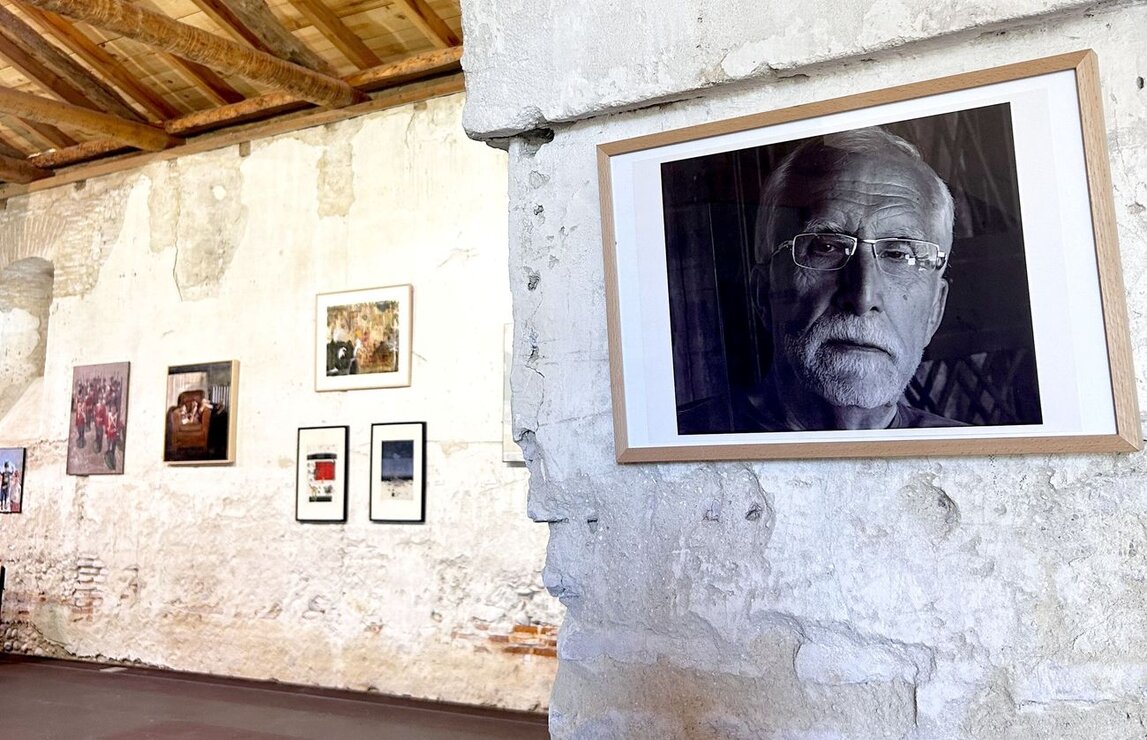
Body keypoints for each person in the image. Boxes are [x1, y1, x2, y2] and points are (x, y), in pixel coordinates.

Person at [681, 126, 964, 432]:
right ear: (764, 294)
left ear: (935, 310)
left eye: (898, 254)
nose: (862, 297)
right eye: (826, 247)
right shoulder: (683, 440)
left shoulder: (978, 464)